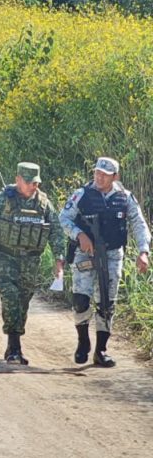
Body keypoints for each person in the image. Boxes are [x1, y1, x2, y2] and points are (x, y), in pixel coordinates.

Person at [59, 157, 150, 367]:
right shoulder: (82, 194)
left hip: (112, 255)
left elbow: (139, 224)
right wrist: (79, 234)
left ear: (115, 177)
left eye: (104, 174)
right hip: (85, 253)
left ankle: (101, 350)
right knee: (81, 299)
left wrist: (143, 251)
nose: (99, 177)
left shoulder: (124, 197)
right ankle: (83, 341)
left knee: (107, 302)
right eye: (97, 173)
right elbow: (64, 218)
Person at [0, 163, 65, 365]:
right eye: (30, 182)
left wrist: (59, 259)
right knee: (11, 296)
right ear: (18, 180)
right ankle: (15, 346)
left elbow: (57, 231)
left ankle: (13, 344)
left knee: (23, 302)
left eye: (36, 183)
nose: (34, 186)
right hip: (5, 257)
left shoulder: (42, 203)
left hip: (31, 260)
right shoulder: (2, 201)